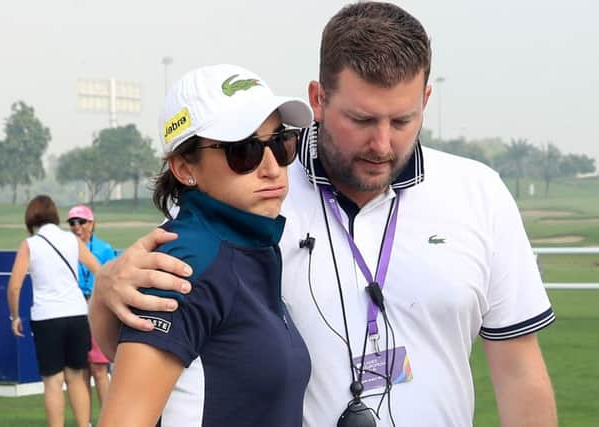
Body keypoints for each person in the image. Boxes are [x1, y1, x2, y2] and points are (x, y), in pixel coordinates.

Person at [91, 2, 558, 426]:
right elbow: (158, 344)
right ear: (317, 99)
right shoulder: (246, 199)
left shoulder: (478, 193)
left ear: (427, 102)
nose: (381, 144)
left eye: (402, 121)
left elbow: (520, 373)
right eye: (360, 120)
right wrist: (105, 290)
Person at [95, 64, 313, 427]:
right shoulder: (186, 262)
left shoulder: (250, 246)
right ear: (184, 168)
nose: (273, 167)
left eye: (281, 142)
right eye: (244, 150)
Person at [7, 195, 100, 427]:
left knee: (53, 381)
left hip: (47, 317)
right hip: (77, 313)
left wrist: (15, 316)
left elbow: (14, 286)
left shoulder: (30, 244)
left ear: (31, 217)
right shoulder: (71, 240)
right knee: (77, 377)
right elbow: (98, 269)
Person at [67, 205, 116, 410]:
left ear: (92, 223)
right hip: (74, 313)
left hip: (96, 312)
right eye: (72, 223)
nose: (77, 227)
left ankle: (109, 420)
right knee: (81, 371)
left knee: (99, 368)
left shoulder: (104, 249)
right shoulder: (67, 247)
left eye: (81, 222)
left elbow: (112, 281)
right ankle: (84, 421)